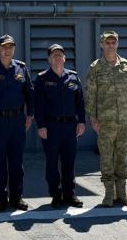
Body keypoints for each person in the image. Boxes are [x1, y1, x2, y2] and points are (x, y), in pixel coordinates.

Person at [84, 31, 127, 207]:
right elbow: (90, 94)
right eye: (107, 42)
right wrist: (92, 117)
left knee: (122, 158)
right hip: (105, 122)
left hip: (125, 122)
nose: (110, 45)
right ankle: (109, 194)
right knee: (106, 158)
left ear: (117, 44)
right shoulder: (95, 68)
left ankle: (122, 194)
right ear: (101, 45)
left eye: (113, 42)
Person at [0, 34, 34, 211]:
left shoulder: (22, 68)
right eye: (4, 47)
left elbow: (30, 93)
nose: (7, 50)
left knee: (17, 162)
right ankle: (1, 198)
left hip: (17, 121)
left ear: (14, 49)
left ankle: (16, 197)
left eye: (10, 47)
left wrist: (30, 115)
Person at [34, 44, 87, 208]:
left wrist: (82, 121)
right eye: (54, 55)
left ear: (64, 58)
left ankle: (69, 194)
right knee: (52, 163)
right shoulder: (42, 78)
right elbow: (38, 105)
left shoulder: (73, 77)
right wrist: (41, 125)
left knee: (69, 162)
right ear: (49, 59)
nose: (57, 58)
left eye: (60, 55)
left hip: (70, 126)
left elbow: (80, 102)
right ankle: (56, 195)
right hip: (51, 126)